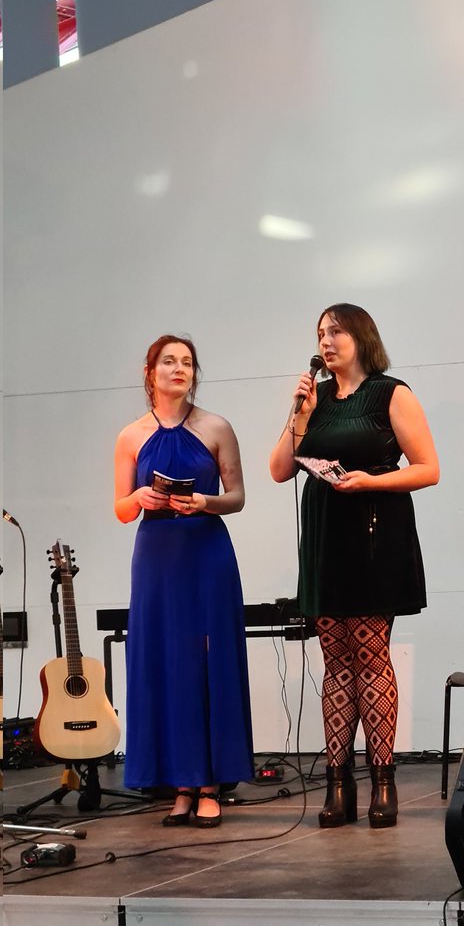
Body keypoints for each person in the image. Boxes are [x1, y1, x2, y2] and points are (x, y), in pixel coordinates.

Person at [269, 303, 439, 829]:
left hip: (373, 533)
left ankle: (383, 782)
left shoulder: (391, 393)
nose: (326, 341)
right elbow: (279, 470)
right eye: (320, 333)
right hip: (325, 538)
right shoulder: (315, 399)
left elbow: (428, 469)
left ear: (361, 336)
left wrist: (371, 481)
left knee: (370, 655)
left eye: (336, 331)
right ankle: (337, 784)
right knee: (336, 660)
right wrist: (298, 415)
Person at [114, 335, 254, 828]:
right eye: (169, 361)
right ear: (149, 372)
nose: (179, 369)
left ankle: (210, 784)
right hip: (157, 558)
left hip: (206, 553)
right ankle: (180, 784)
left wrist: (204, 502)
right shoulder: (131, 435)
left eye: (187, 363)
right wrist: (139, 498)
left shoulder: (216, 427)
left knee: (209, 663)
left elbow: (237, 496)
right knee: (166, 664)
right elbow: (120, 508)